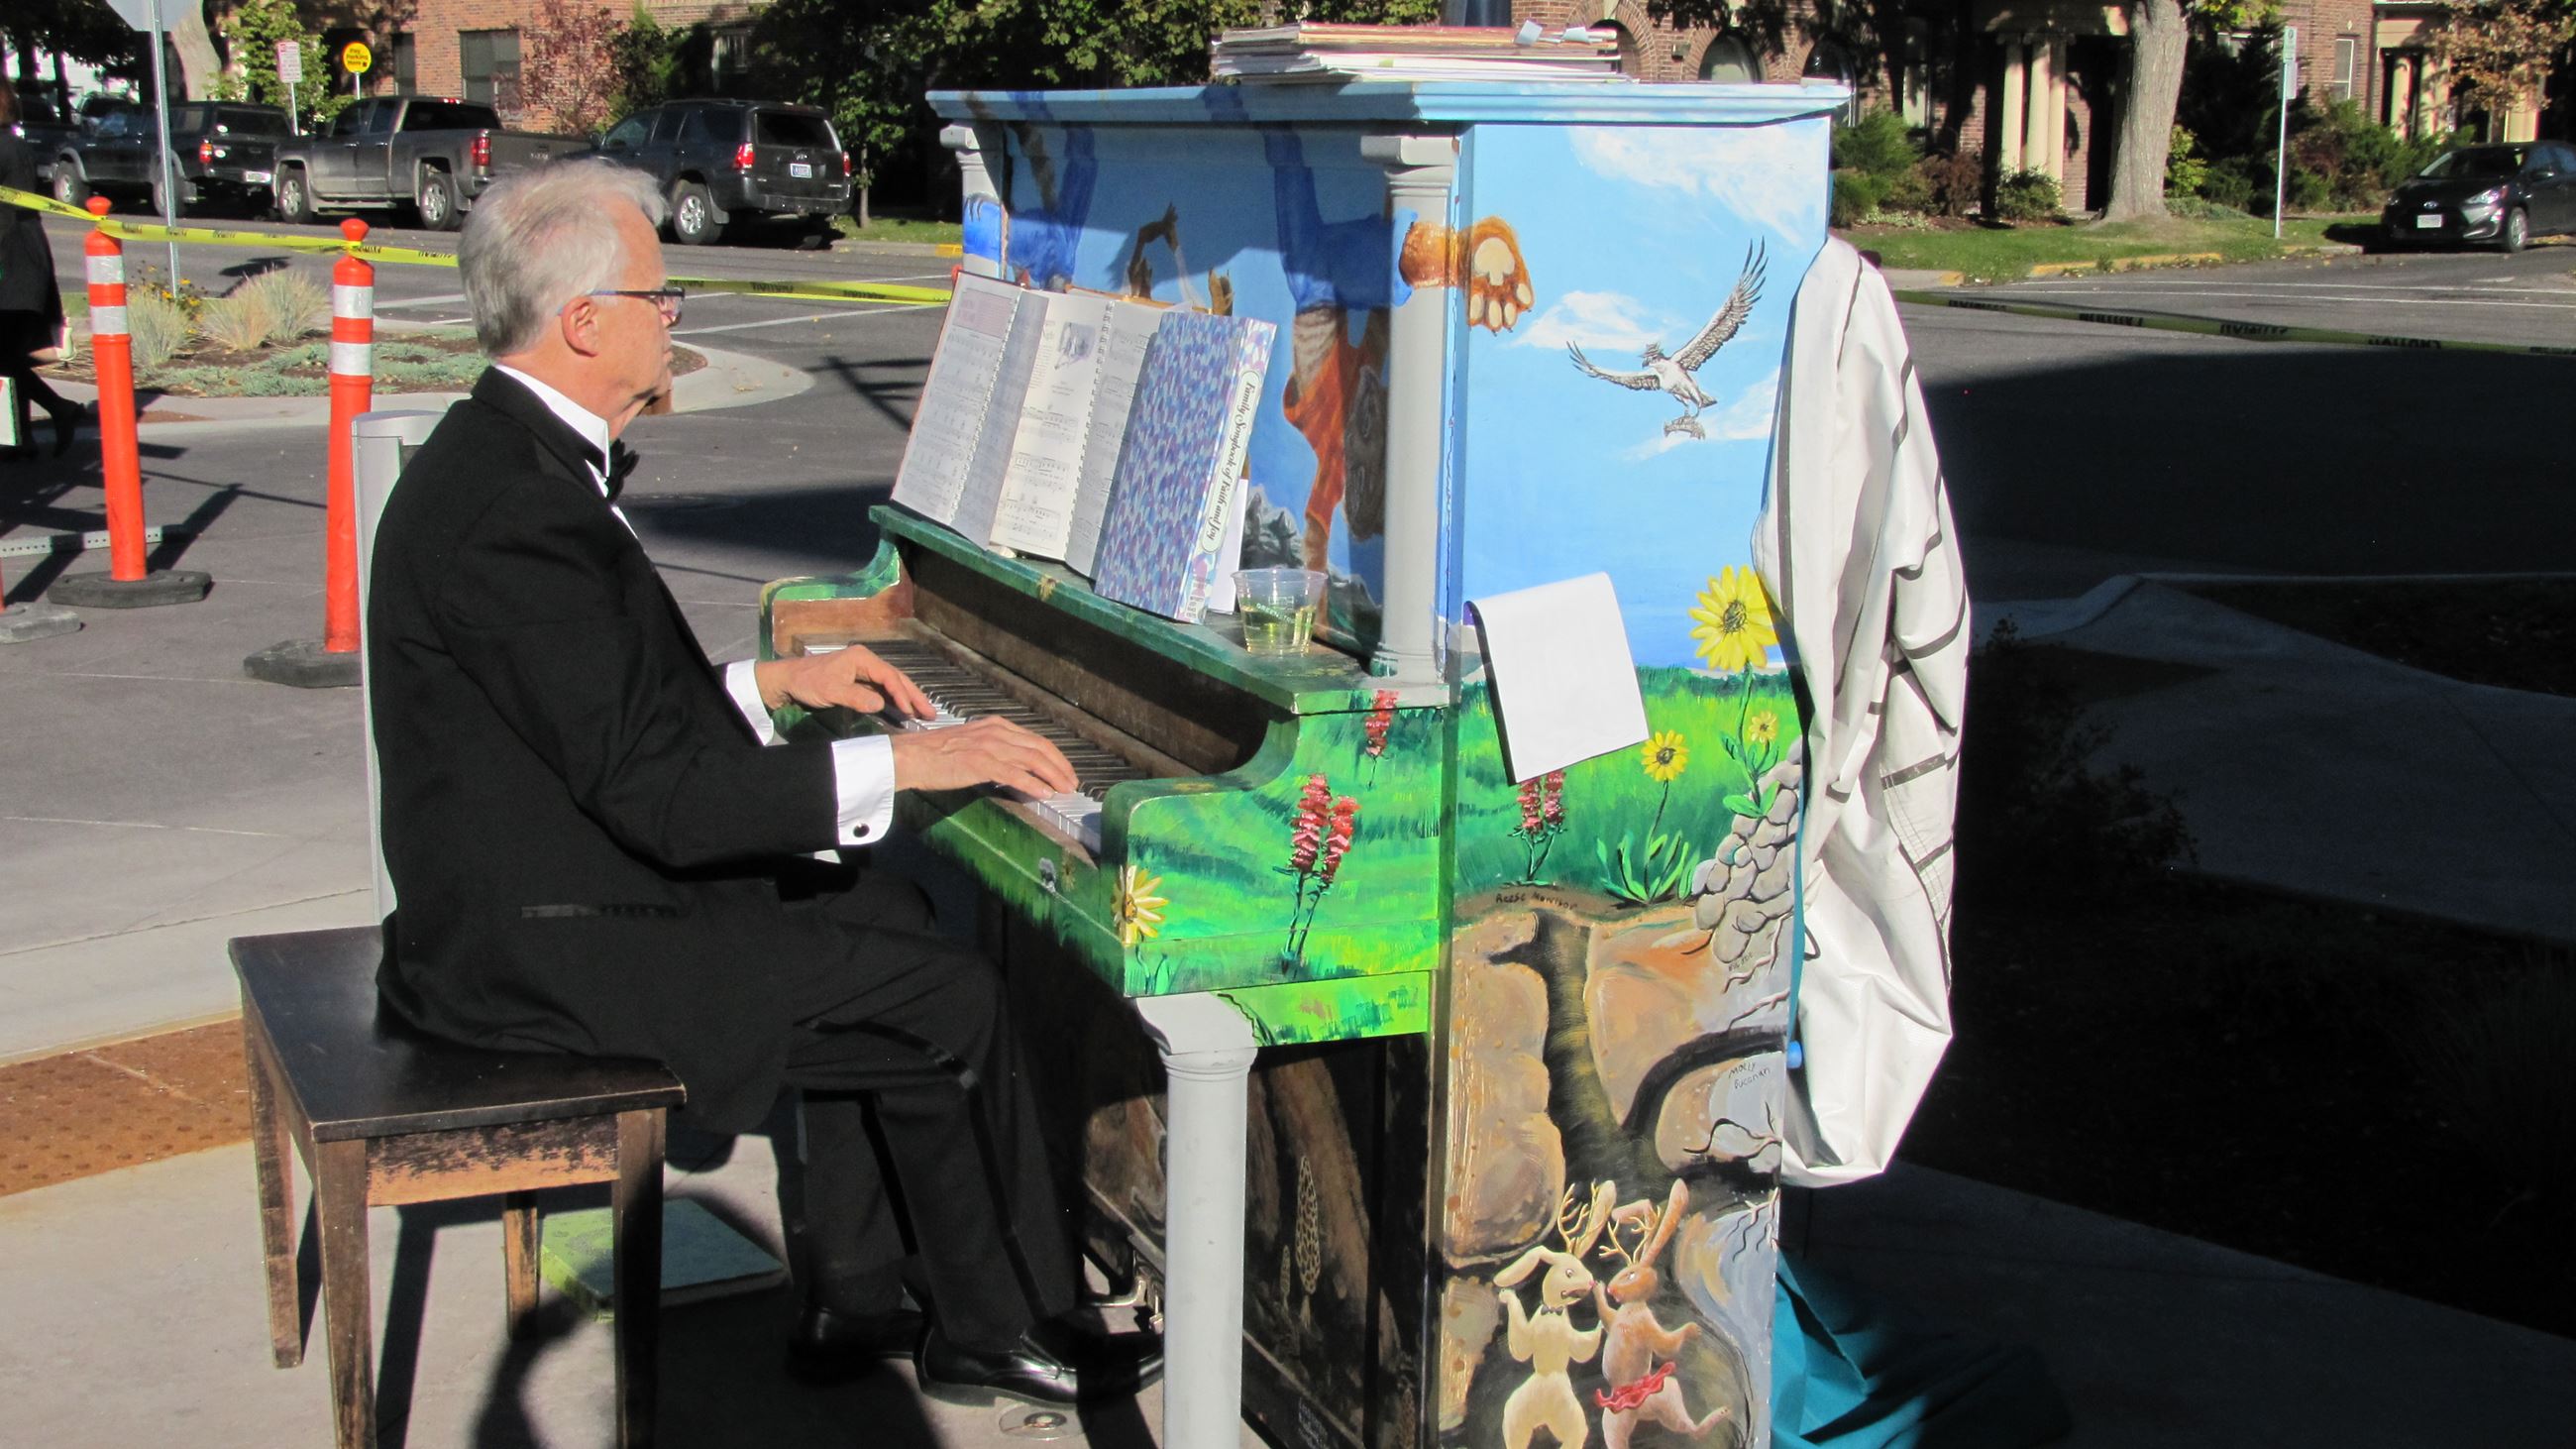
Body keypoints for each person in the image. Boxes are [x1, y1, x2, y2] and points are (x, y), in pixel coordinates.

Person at [365, 158, 1159, 1404]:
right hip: (540, 945)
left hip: (546, 883)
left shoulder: (504, 459)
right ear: (583, 323)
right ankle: (1002, 1321)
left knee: (890, 915)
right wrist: (906, 759)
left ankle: (857, 1293)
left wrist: (772, 689)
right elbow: (660, 800)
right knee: (946, 993)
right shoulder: (513, 514)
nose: (673, 319)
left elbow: (603, 723)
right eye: (659, 297)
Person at [0, 77, 83, 459]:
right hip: (19, 253)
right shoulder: (13, 144)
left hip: (12, 257)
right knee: (9, 353)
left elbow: (9, 215)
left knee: (5, 354)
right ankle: (21, 438)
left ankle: (56, 411)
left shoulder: (7, 146)